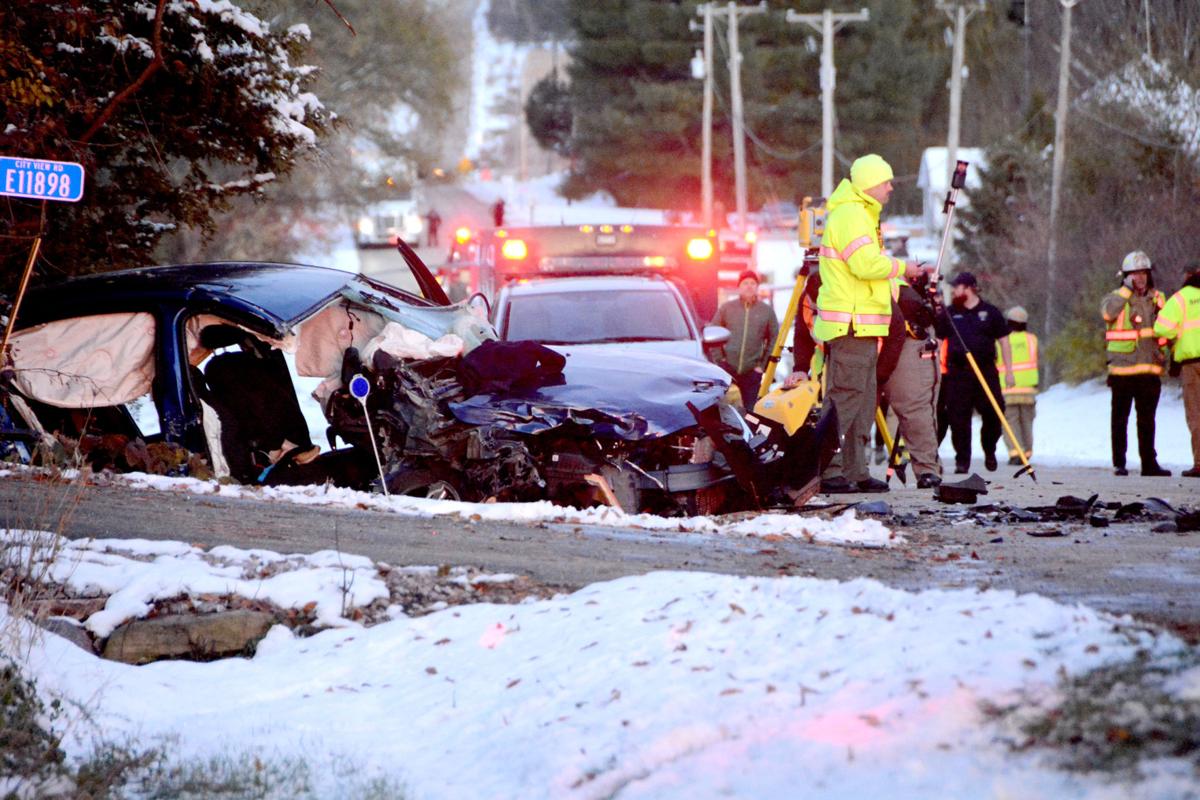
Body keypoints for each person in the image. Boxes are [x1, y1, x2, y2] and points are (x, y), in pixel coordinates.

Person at [811, 154, 927, 494]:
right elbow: (864, 265)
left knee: (861, 404)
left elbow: (869, 269)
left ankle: (855, 471)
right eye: (885, 181)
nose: (890, 187)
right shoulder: (851, 215)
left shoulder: (861, 215)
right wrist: (903, 268)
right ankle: (827, 471)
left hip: (862, 327)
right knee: (845, 400)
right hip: (850, 326)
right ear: (869, 184)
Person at [1101, 251, 1170, 476]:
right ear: (1126, 276)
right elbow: (1108, 314)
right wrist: (1125, 291)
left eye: (1143, 273)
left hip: (1149, 369)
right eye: (1134, 273)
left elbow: (1167, 329)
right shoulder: (1115, 297)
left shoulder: (1158, 298)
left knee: (1147, 420)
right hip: (1122, 370)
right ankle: (1119, 463)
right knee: (1120, 419)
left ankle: (1149, 464)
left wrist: (1165, 355)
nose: (1140, 277)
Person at [936, 272, 1010, 474]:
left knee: (994, 412)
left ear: (968, 288)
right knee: (958, 418)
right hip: (958, 373)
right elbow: (939, 341)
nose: (953, 291)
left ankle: (989, 448)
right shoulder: (950, 313)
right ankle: (962, 461)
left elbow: (1004, 341)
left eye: (957, 287)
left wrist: (1009, 371)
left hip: (985, 371)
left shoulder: (990, 312)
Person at [877, 275, 942, 487]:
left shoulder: (897, 287)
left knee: (914, 410)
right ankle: (847, 470)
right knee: (850, 411)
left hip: (903, 344)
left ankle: (927, 469)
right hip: (856, 348)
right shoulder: (826, 281)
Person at [1153, 262, 1200, 478]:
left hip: (1191, 364)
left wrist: (1176, 336)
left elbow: (1161, 328)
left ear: (1187, 276)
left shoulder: (1181, 298)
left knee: (1196, 414)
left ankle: (1199, 463)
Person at [712, 270, 779, 411]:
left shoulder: (766, 311)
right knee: (725, 411)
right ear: (739, 286)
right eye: (745, 283)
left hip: (752, 373)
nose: (749, 286)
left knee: (751, 413)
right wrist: (720, 361)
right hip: (727, 371)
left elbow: (774, 339)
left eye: (753, 283)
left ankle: (750, 426)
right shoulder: (727, 308)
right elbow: (713, 333)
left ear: (757, 286)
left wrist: (762, 366)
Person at [996, 306, 1038, 465]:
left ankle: (1015, 452)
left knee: (1010, 421)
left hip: (1008, 388)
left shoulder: (1001, 340)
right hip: (1028, 389)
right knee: (1027, 421)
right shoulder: (1032, 339)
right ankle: (1027, 451)